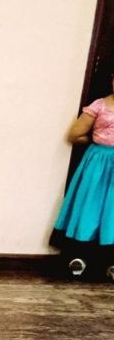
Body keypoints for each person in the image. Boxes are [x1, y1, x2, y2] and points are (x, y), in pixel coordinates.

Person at [49, 73, 114, 280]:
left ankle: (110, 262)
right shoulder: (100, 105)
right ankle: (79, 257)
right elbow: (74, 134)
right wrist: (98, 140)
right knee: (89, 207)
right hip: (99, 162)